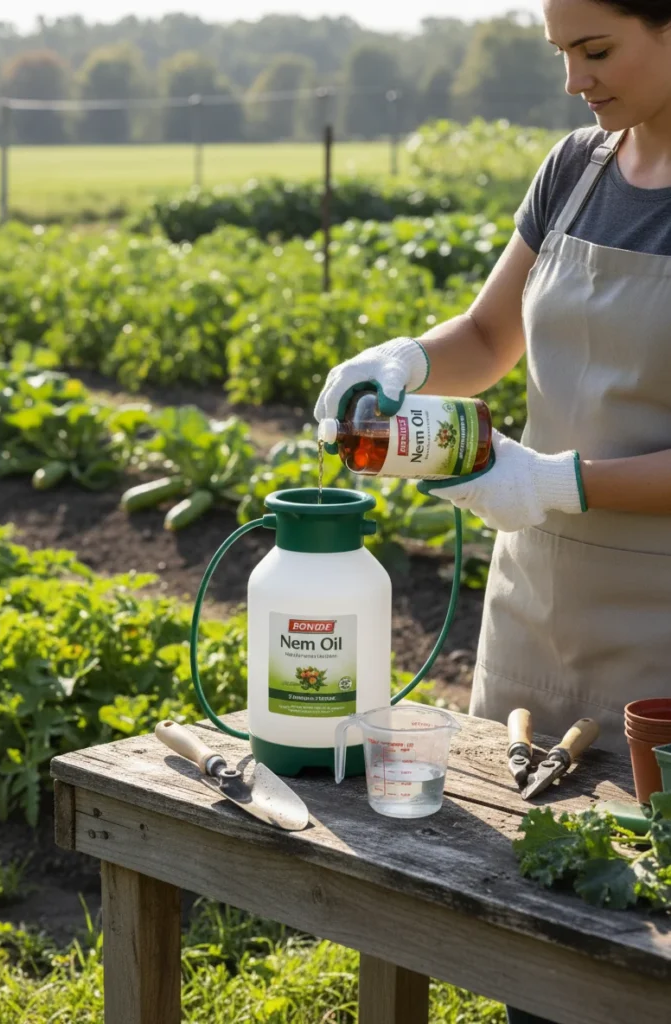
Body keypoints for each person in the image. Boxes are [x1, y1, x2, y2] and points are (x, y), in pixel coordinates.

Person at [315, 3, 671, 1021]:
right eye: (560, 54)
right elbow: (486, 332)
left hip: (662, 633)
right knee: (530, 928)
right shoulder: (577, 167)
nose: (574, 81)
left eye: (596, 51)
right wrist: (407, 360)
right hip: (535, 616)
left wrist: (560, 480)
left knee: (638, 945)